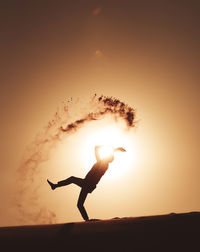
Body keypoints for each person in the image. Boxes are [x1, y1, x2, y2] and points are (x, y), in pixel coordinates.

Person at [47, 145, 126, 221]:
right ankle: (87, 220)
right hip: (87, 183)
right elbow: (96, 148)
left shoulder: (103, 164)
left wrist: (115, 149)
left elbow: (96, 148)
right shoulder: (102, 163)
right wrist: (115, 149)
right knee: (79, 204)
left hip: (88, 183)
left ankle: (55, 186)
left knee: (72, 179)